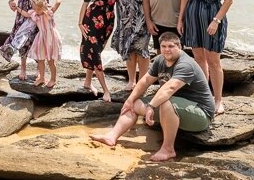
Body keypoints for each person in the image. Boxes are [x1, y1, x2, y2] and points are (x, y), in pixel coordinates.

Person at [91, 31, 215, 162]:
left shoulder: (185, 64)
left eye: (171, 46)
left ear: (180, 47)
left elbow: (170, 88)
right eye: (164, 46)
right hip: (174, 107)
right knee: (134, 103)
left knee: (166, 102)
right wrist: (129, 100)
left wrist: (151, 106)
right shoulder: (160, 60)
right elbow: (145, 81)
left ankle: (168, 149)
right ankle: (111, 136)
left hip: (200, 114)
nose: (167, 50)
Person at [177, 0, 235, 114]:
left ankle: (218, 100)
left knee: (213, 61)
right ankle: (205, 96)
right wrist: (180, 20)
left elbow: (228, 0)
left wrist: (216, 21)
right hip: (192, 19)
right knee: (199, 59)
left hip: (212, 20)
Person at [80, 0, 118, 101]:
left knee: (95, 51)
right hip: (92, 20)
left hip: (108, 23)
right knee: (95, 54)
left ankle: (87, 82)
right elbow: (85, 1)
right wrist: (79, 22)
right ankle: (106, 90)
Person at [16, 0, 63, 87]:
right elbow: (26, 14)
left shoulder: (49, 12)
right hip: (41, 37)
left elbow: (58, 2)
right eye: (34, 8)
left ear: (42, 6)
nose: (36, 11)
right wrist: (17, 8)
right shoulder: (34, 14)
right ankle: (41, 77)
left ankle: (53, 79)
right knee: (40, 59)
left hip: (51, 38)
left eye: (38, 9)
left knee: (50, 60)